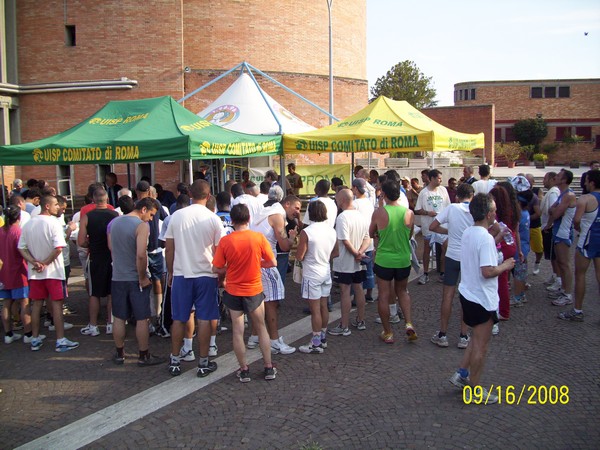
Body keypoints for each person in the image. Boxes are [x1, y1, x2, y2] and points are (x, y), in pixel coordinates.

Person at [448, 194, 515, 404]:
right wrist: (506, 266)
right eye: (494, 210)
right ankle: (475, 391)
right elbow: (487, 271)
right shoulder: (484, 237)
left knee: (474, 340)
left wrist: (497, 238)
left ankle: (462, 374)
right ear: (488, 214)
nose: (496, 213)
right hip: (482, 298)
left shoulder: (470, 233)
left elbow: (481, 250)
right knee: (480, 346)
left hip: (468, 293)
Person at [212, 204, 278, 382]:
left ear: (231, 221)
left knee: (238, 331)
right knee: (261, 328)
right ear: (249, 219)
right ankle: (268, 367)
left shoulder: (226, 241)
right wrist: (257, 264)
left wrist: (229, 268)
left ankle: (244, 369)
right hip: (254, 289)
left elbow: (216, 268)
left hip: (233, 290)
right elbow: (272, 262)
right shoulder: (258, 238)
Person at [165, 180, 224, 377]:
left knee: (179, 318)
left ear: (190, 193)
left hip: (182, 273)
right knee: (205, 318)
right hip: (206, 274)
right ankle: (204, 361)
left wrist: (171, 271)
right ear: (208, 196)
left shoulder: (176, 216)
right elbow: (219, 251)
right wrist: (219, 273)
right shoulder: (213, 219)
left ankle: (175, 360)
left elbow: (169, 248)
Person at [18, 195, 79, 352]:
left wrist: (33, 262)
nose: (58, 207)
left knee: (37, 304)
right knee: (56, 304)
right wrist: (44, 263)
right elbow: (59, 248)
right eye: (56, 205)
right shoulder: (53, 223)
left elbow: (21, 247)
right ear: (47, 206)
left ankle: (35, 338)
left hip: (36, 273)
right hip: (53, 271)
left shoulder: (29, 223)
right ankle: (60, 340)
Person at [108, 197, 163, 366]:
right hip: (134, 278)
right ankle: (143, 354)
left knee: (118, 317)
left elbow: (111, 248)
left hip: (117, 276)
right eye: (152, 214)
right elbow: (140, 254)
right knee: (142, 318)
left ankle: (119, 353)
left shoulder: (115, 222)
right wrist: (142, 277)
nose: (151, 219)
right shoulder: (141, 226)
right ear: (144, 209)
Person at [248, 195, 300, 354]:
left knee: (260, 302)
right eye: (296, 208)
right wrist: (292, 238)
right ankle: (274, 340)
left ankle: (255, 336)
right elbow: (284, 246)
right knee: (272, 303)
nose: (298, 212)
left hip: (255, 262)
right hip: (267, 263)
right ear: (287, 204)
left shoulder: (264, 212)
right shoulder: (277, 216)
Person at [369, 180, 417, 344]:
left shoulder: (379, 213)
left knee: (384, 294)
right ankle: (409, 323)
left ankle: (388, 332)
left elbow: (371, 233)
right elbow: (409, 235)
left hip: (384, 259)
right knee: (402, 291)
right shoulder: (409, 213)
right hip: (403, 258)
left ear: (384, 194)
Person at [429, 183, 474, 349]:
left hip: (452, 256)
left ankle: (443, 334)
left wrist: (449, 232)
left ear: (457, 196)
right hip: (469, 258)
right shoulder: (476, 209)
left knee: (447, 295)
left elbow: (433, 226)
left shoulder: (452, 208)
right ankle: (463, 335)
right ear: (472, 196)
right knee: (467, 296)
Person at [296, 201, 338, 353]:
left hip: (311, 273)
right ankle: (323, 337)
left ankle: (315, 343)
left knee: (315, 310)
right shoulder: (331, 230)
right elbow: (336, 252)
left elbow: (300, 256)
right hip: (325, 270)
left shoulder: (307, 232)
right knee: (323, 306)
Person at [327, 189, 370, 336]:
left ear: (342, 200)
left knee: (345, 291)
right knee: (358, 288)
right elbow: (367, 237)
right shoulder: (361, 216)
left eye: (337, 199)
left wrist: (355, 253)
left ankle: (344, 325)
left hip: (345, 261)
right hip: (359, 260)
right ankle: (361, 320)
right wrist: (360, 252)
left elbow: (344, 240)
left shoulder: (342, 217)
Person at [559, 170, 600, 321]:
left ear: (592, 182)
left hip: (587, 241)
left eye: (587, 180)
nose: (585, 183)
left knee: (580, 275)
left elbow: (576, 220)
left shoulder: (585, 199)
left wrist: (579, 228)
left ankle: (578, 310)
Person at [77, 188, 119, 336]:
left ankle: (93, 325)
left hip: (95, 257)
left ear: (93, 200)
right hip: (112, 258)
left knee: (94, 293)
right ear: (107, 199)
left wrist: (90, 244)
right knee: (111, 293)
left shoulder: (87, 216)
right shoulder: (115, 215)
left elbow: (81, 241)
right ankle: (110, 324)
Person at [136, 180, 168, 330]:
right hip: (155, 248)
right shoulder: (156, 204)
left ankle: (148, 314)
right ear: (149, 191)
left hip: (143, 249)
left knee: (144, 283)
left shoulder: (137, 205)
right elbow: (166, 218)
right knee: (157, 280)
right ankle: (157, 311)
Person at [0, 205, 31, 344]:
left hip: (4, 272)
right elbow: (23, 251)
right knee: (24, 303)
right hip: (19, 272)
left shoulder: (1, 231)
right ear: (18, 217)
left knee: (6, 303)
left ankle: (8, 333)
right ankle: (28, 334)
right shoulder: (18, 232)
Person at [546, 169, 577, 306]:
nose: (556, 177)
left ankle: (568, 293)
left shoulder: (568, 196)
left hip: (563, 233)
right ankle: (564, 289)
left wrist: (555, 210)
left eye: (558, 176)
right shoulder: (562, 194)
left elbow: (556, 213)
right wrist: (555, 210)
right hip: (558, 231)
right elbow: (550, 210)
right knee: (560, 262)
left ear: (564, 180)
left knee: (565, 263)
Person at [415, 169, 450, 284]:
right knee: (427, 248)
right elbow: (417, 209)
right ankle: (425, 273)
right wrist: (427, 213)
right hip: (428, 225)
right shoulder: (424, 193)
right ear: (432, 179)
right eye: (438, 178)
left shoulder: (443, 190)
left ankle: (443, 272)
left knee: (445, 247)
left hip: (442, 225)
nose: (441, 180)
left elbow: (448, 206)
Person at [352, 178, 375, 303]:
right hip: (369, 239)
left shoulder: (355, 204)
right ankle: (369, 293)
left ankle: (357, 296)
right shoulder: (369, 202)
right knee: (369, 267)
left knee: (358, 270)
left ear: (355, 188)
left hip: (359, 240)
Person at [540, 172, 560, 287]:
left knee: (554, 256)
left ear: (552, 179)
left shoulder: (553, 193)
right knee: (551, 255)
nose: (543, 181)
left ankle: (558, 280)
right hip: (548, 226)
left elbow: (553, 211)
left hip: (549, 228)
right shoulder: (552, 192)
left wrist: (548, 225)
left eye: (545, 178)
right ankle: (555, 275)